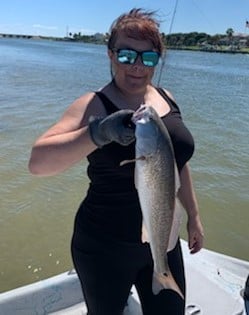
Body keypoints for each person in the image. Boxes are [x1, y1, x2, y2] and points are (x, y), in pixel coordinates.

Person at [28, 8, 204, 315]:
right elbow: (38, 163)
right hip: (103, 246)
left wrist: (194, 215)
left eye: (147, 58)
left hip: (163, 239)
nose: (137, 66)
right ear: (110, 55)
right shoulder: (93, 104)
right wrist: (97, 132)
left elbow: (176, 166)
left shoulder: (167, 97)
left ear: (157, 60)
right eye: (126, 55)